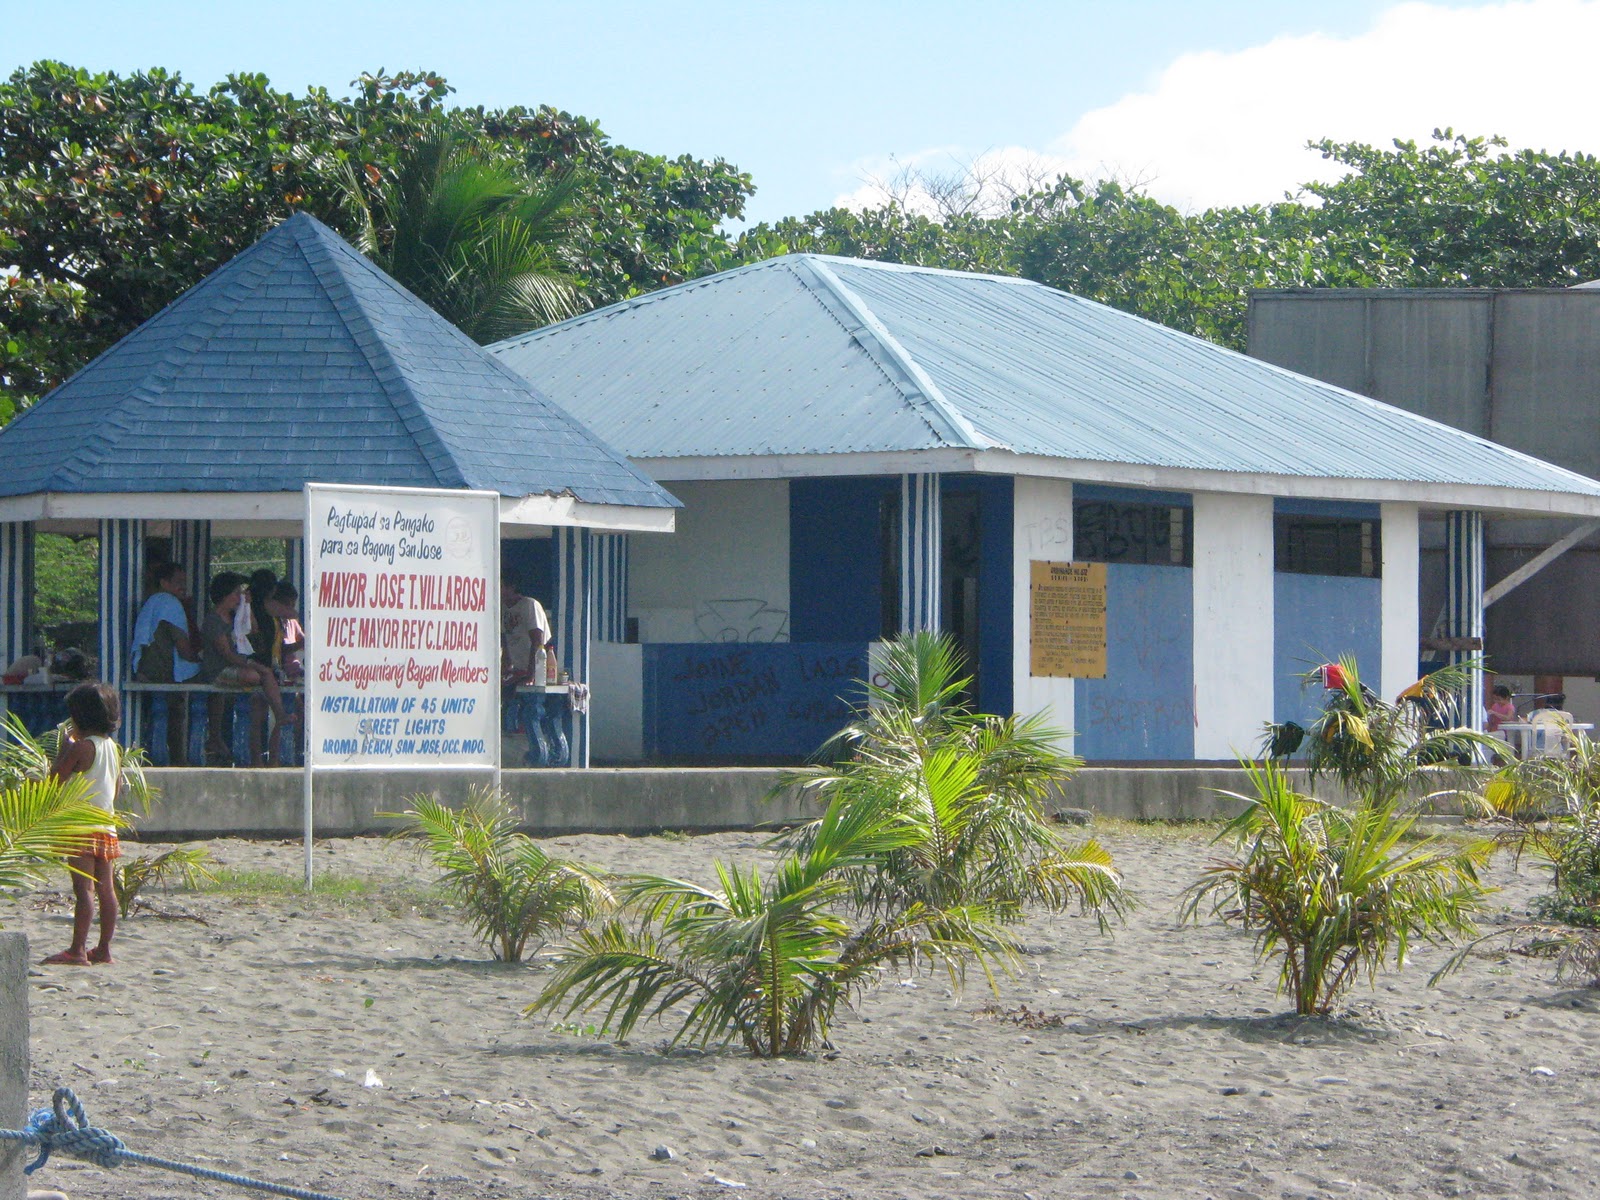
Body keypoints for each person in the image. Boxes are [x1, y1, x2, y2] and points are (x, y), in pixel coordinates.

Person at [41, 682, 123, 966]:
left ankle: (77, 950)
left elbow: (55, 779)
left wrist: (65, 749)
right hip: (106, 827)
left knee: (83, 890)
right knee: (106, 890)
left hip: (80, 828)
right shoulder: (112, 748)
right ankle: (104, 948)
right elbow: (116, 789)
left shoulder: (83, 747)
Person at [199, 572, 295, 766]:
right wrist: (252, 663)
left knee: (266, 673)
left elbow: (253, 629)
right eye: (236, 594)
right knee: (254, 675)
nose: (238, 597)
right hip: (220, 670)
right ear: (225, 595)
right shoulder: (213, 621)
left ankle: (280, 713)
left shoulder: (235, 615)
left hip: (239, 665)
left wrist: (247, 606)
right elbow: (227, 654)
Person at [131, 563, 201, 764]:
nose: (183, 588)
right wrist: (201, 660)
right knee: (175, 718)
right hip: (163, 673)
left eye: (184, 583)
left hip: (148, 671)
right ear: (164, 583)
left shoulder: (153, 602)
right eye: (178, 583)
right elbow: (184, 649)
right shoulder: (169, 604)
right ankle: (180, 760)